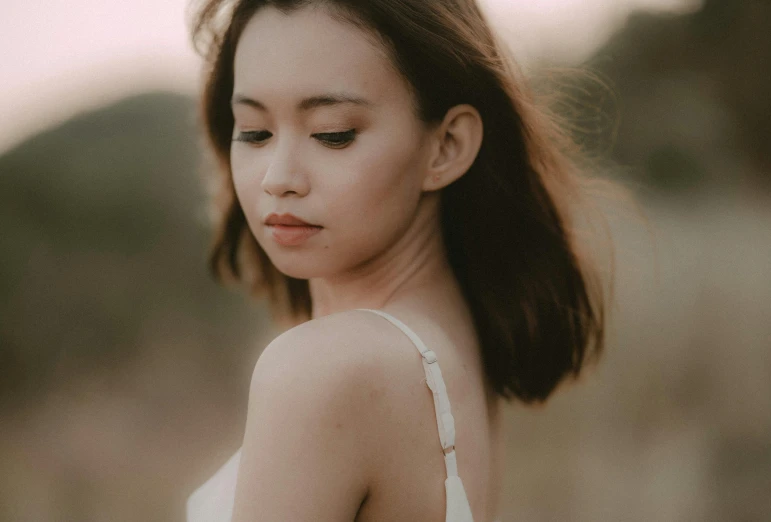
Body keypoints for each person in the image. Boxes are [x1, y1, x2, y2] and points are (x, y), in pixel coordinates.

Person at [186, 0, 607, 520]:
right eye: (254, 131)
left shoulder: (326, 370)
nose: (277, 177)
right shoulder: (451, 337)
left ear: (446, 146)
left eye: (332, 133)